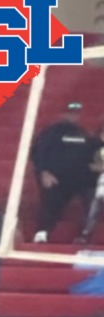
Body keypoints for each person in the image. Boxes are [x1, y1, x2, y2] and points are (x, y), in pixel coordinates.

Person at [30, 101, 101, 242]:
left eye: (76, 113)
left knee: (93, 197)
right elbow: (37, 152)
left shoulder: (83, 133)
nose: (73, 116)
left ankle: (85, 235)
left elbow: (93, 153)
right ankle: (42, 233)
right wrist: (43, 172)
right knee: (50, 200)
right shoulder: (51, 132)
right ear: (63, 114)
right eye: (70, 112)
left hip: (81, 180)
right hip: (57, 179)